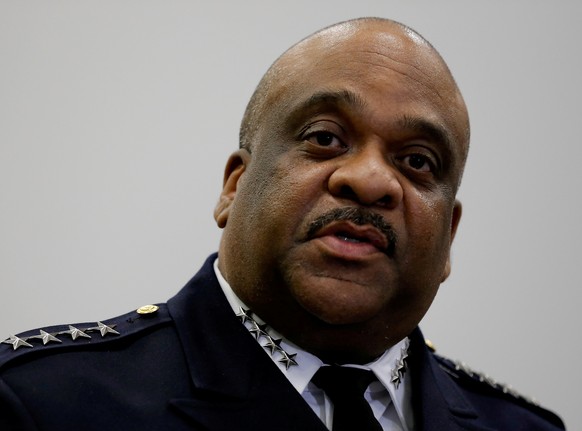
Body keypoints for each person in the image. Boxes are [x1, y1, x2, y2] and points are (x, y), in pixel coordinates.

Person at [0, 17, 564, 431]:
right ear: (234, 186)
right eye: (325, 138)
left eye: (417, 162)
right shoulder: (40, 404)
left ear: (449, 241)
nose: (370, 181)